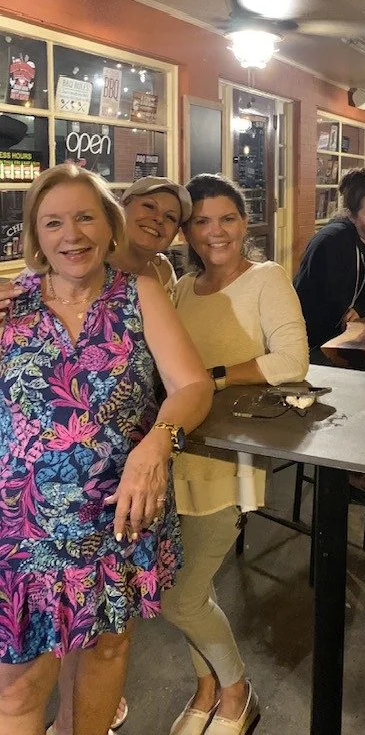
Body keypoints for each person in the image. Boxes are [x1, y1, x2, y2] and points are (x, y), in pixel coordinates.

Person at [0, 164, 213, 735]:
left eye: (85, 216)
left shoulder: (138, 292)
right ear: (37, 237)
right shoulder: (9, 305)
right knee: (19, 686)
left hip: (117, 514)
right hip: (25, 529)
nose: (72, 234)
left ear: (109, 225)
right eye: (54, 222)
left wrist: (156, 445)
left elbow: (193, 385)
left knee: (104, 654)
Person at [47, 176, 194, 735]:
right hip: (46, 500)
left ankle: (92, 713)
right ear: (121, 210)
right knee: (58, 633)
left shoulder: (156, 281)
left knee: (110, 630)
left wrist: (160, 436)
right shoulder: (41, 289)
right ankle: (75, 716)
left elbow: (182, 378)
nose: (158, 220)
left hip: (129, 473)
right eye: (147, 207)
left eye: (171, 217)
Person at [162, 173, 308, 735]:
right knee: (192, 585)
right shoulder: (178, 286)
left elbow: (292, 359)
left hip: (224, 457)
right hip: (175, 450)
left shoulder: (265, 277)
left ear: (245, 224)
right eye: (200, 221)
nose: (214, 231)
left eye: (226, 219)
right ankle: (207, 688)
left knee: (180, 597)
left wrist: (211, 378)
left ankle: (237, 691)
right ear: (186, 231)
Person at [294, 168, 365, 364]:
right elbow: (311, 305)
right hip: (311, 344)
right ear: (351, 216)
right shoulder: (332, 242)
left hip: (346, 337)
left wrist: (363, 307)